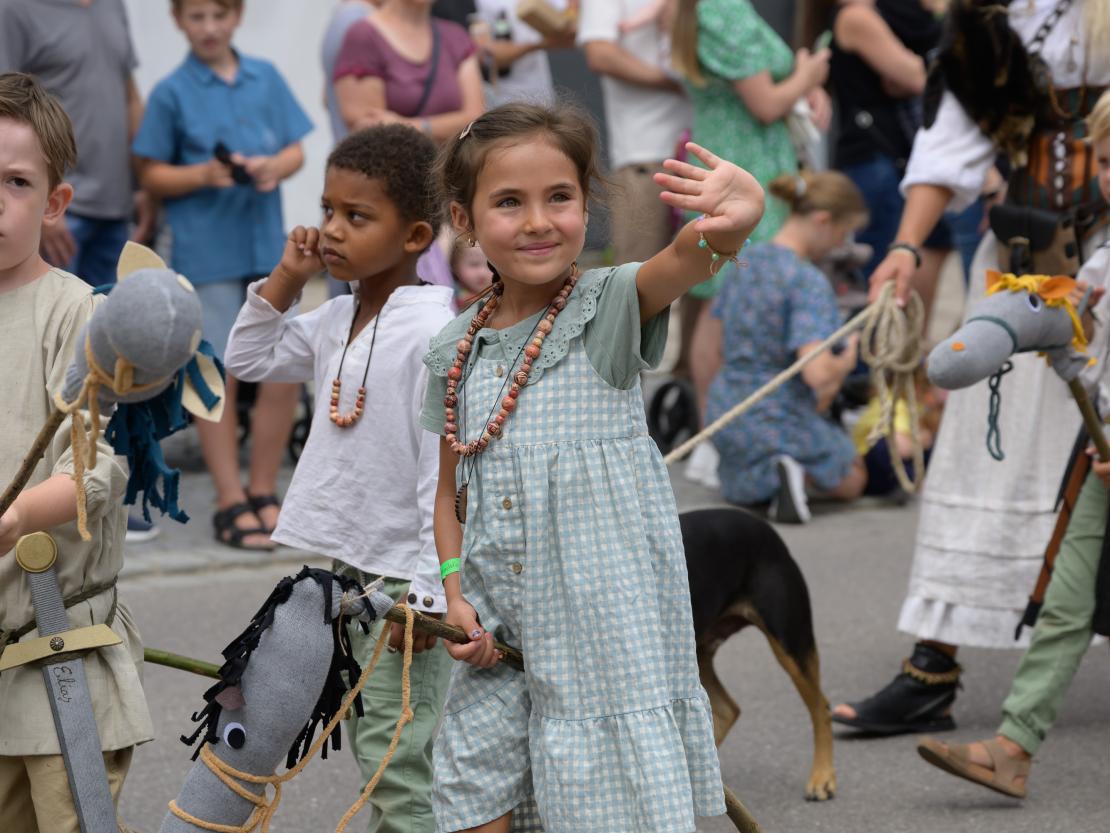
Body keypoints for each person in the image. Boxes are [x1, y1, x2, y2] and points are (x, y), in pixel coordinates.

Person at [420, 102, 764, 833]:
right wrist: (454, 594)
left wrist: (739, 215)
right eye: (508, 202)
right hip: (496, 635)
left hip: (599, 642)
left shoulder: (607, 307)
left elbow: (694, 254)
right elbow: (448, 494)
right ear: (463, 219)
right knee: (474, 791)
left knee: (600, 804)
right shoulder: (454, 350)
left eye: (559, 197)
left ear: (586, 204)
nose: (538, 221)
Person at [834, 0, 1110, 736]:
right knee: (980, 461)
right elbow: (946, 148)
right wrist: (905, 246)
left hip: (1104, 270)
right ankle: (932, 670)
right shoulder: (989, 22)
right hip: (1025, 265)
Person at [224, 124, 453, 833]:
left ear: (415, 236)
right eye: (327, 209)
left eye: (357, 216)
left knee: (396, 756)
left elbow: (439, 474)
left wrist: (429, 591)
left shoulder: (433, 332)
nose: (330, 229)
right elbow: (249, 357)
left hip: (406, 579)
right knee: (374, 736)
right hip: (352, 569)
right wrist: (287, 280)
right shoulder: (337, 316)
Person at [914, 92, 1110, 800]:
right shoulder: (1103, 260)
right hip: (1101, 455)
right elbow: (1072, 315)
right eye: (1106, 161)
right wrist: (1014, 320)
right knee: (1066, 597)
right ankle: (1013, 748)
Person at [0, 72, 153, 833]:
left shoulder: (80, 315)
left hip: (57, 653)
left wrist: (15, 516)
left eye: (16, 181)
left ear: (55, 202)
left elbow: (93, 472)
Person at [132, 0, 313, 551]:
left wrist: (273, 166)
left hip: (266, 247)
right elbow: (150, 174)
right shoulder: (170, 92)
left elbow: (296, 151)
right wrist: (203, 174)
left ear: (236, 16)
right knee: (215, 377)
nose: (209, 27)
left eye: (218, 15)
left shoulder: (266, 77)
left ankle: (263, 490)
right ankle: (230, 498)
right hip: (206, 252)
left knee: (283, 369)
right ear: (178, 21)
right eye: (197, 17)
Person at [670, 0, 831, 486]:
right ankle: (713, 435)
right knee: (723, 302)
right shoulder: (722, 8)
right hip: (739, 166)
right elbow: (765, 103)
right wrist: (809, 75)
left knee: (719, 298)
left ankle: (719, 433)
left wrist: (804, 85)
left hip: (742, 159)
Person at [694, 170, 868, 523]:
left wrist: (709, 411)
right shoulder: (807, 280)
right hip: (776, 413)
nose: (840, 245)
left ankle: (764, 477)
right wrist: (847, 360)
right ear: (823, 221)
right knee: (854, 476)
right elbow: (817, 374)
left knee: (739, 480)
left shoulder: (745, 261)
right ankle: (789, 473)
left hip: (726, 408)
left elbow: (710, 347)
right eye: (843, 233)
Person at [0, 0, 154, 289]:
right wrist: (43, 207)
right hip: (61, 212)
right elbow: (5, 108)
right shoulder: (14, 8)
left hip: (116, 209)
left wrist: (143, 184)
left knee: (108, 317)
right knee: (47, 316)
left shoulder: (112, 5)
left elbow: (130, 97)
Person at [578, 0, 690, 266]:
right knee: (638, 274)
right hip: (645, 154)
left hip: (703, 146)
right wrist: (677, 84)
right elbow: (600, 53)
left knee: (704, 269)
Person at [333, 0, 485, 144]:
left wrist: (410, 125)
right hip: (399, 162)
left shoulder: (455, 36)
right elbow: (373, 130)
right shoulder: (363, 35)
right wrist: (448, 127)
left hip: (450, 162)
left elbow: (475, 120)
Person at [470, 0, 573, 107]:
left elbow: (570, 29)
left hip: (543, 95)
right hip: (503, 102)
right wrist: (539, 44)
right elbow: (486, 57)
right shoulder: (478, 4)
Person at [323, 0, 378, 144]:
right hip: (365, 148)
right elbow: (367, 119)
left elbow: (326, 98)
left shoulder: (345, 16)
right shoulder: (358, 19)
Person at [450, 238, 494, 306]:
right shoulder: (449, 295)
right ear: (455, 265)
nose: (482, 273)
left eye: (490, 265)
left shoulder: (501, 295)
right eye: (474, 264)